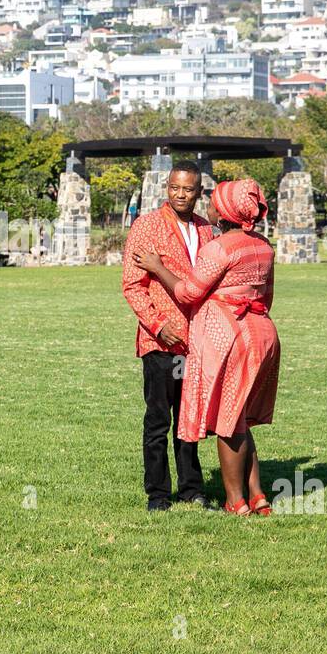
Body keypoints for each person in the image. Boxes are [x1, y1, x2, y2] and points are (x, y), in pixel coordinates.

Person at [136, 178, 280, 517]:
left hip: (230, 337)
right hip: (263, 333)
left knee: (227, 419)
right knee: (241, 418)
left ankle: (235, 501)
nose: (209, 207)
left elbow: (189, 292)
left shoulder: (219, 245)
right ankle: (257, 495)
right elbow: (267, 296)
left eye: (214, 201)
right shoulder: (263, 245)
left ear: (225, 210)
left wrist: (158, 267)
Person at [121, 161, 216, 512]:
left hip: (197, 342)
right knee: (159, 420)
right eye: (175, 187)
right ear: (167, 188)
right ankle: (158, 494)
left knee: (190, 422)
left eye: (188, 189)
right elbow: (132, 286)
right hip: (160, 342)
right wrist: (160, 326)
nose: (181, 194)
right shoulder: (146, 227)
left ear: (198, 192)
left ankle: (192, 488)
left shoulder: (207, 230)